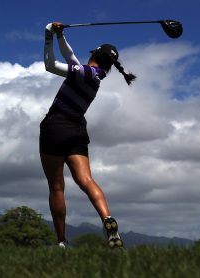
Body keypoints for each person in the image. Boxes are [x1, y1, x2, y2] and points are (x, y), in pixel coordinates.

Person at [40, 22, 136, 248]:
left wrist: (47, 36)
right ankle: (107, 219)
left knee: (56, 187)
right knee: (86, 180)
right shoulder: (94, 76)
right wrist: (60, 35)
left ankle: (61, 242)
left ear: (94, 53)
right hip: (77, 130)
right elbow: (70, 56)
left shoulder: (85, 73)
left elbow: (50, 65)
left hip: (56, 126)